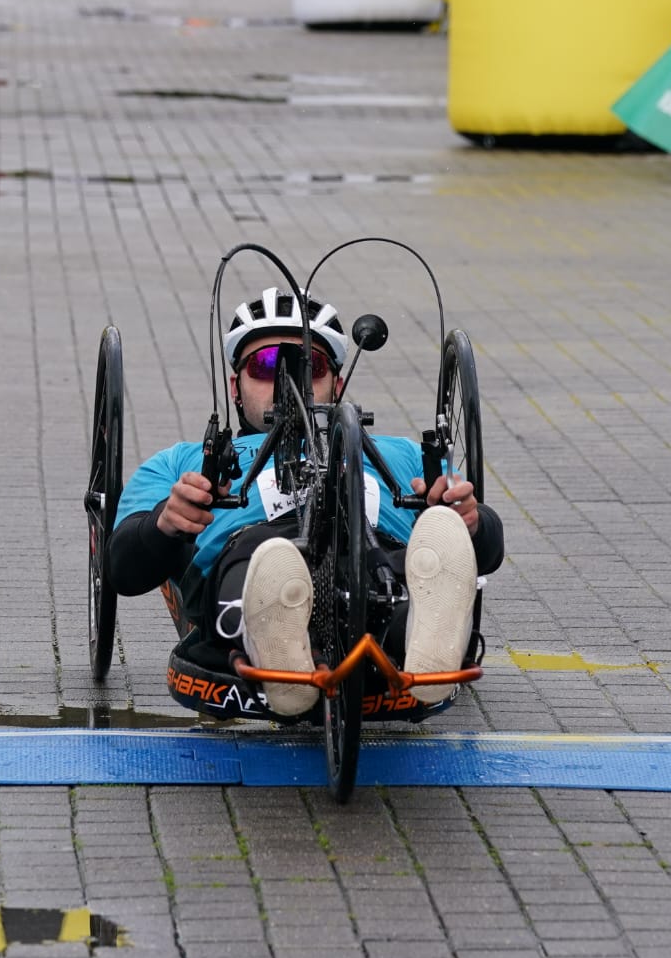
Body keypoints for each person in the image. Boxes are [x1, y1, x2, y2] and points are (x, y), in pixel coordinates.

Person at [109, 287, 504, 718]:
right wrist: (165, 524)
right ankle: (283, 647)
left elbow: (489, 549)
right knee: (264, 563)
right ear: (234, 386)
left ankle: (420, 638)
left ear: (337, 382)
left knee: (402, 571)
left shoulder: (401, 454)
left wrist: (470, 522)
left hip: (375, 556)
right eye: (263, 365)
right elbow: (122, 569)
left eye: (309, 365)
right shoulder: (180, 463)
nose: (288, 381)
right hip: (248, 556)